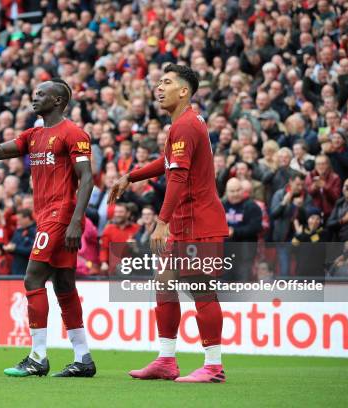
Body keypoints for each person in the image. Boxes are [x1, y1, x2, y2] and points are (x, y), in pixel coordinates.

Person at [109, 64, 229, 383]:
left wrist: (161, 222)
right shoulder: (182, 125)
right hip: (184, 223)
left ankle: (214, 366)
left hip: (198, 223)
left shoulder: (186, 125)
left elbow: (177, 176)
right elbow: (166, 165)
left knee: (201, 290)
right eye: (158, 82)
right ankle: (166, 359)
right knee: (164, 285)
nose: (158, 88)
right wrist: (130, 177)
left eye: (166, 83)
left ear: (184, 91)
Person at [0, 80, 96, 377]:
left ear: (57, 101)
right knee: (64, 286)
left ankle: (37, 357)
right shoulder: (34, 135)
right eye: (35, 92)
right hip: (44, 215)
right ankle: (83, 359)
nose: (34, 96)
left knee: (33, 278)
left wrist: (76, 221)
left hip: (60, 215)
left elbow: (87, 178)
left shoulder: (74, 134)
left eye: (41, 93)